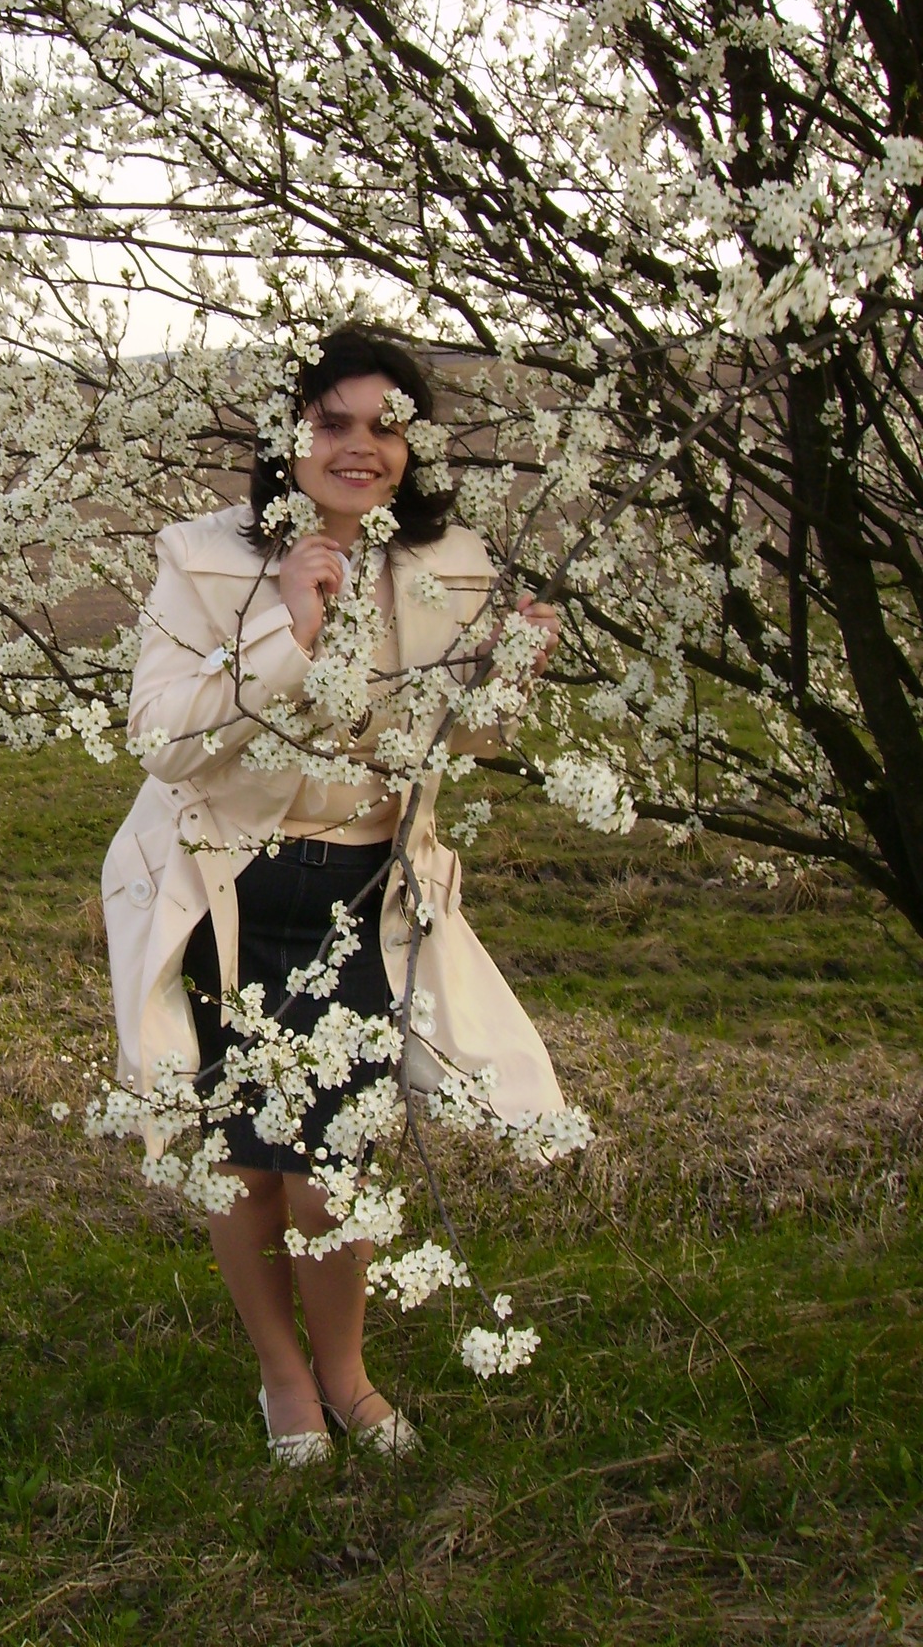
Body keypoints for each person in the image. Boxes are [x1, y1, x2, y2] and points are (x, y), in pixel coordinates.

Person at [102, 322, 566, 1466]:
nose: (362, 446)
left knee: (330, 1163)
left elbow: (456, 741)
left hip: (367, 893)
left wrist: (508, 677)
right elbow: (162, 739)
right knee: (242, 1156)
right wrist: (286, 628)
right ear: (290, 434)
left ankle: (348, 1373)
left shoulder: (449, 563)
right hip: (230, 889)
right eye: (333, 421)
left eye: (387, 425)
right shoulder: (206, 557)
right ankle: (284, 1376)